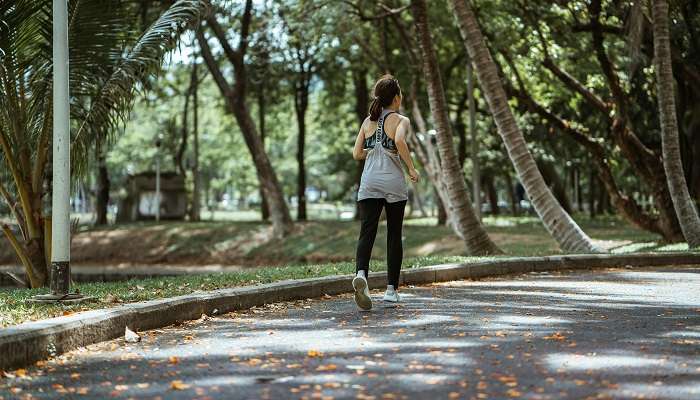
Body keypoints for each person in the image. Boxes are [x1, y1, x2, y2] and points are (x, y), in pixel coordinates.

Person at [351, 75, 419, 310]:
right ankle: (391, 291)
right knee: (393, 233)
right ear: (397, 98)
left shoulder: (367, 122)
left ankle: (361, 274)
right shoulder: (401, 119)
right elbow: (399, 141)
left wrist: (372, 151)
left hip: (369, 182)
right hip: (393, 183)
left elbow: (356, 154)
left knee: (366, 232)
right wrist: (411, 167)